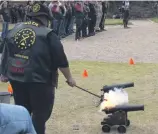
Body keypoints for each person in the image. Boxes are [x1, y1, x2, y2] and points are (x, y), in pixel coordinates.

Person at [0, 2, 76, 134]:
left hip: (17, 78)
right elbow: (60, 59)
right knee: (40, 115)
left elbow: (6, 52)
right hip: (40, 80)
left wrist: (3, 73)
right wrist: (69, 78)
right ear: (45, 18)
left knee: (22, 112)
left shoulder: (15, 30)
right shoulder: (48, 34)